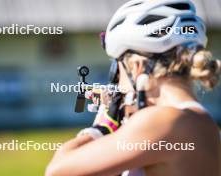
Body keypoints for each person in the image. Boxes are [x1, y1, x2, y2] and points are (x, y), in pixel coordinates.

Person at [45, 0, 221, 175]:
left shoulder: (163, 120)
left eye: (117, 71)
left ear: (137, 67)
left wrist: (103, 126)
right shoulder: (202, 121)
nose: (117, 82)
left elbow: (57, 171)